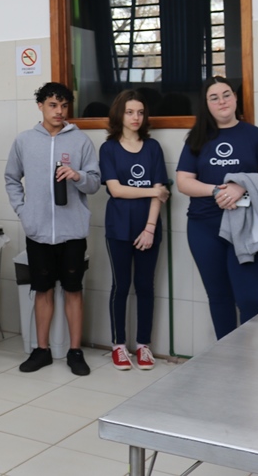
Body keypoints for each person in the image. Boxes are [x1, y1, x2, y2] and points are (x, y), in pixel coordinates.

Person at [176, 76, 258, 340]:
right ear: (206, 104)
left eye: (226, 95)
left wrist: (241, 187)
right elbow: (183, 181)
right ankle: (227, 360)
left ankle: (254, 357)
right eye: (214, 98)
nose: (222, 101)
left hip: (247, 229)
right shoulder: (196, 138)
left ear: (235, 98)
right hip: (204, 227)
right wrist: (217, 191)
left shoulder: (255, 136)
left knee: (252, 300)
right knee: (219, 297)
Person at [5, 81, 100, 376]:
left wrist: (78, 176)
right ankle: (41, 350)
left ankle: (75, 351)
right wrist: (24, 211)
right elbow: (11, 178)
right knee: (42, 289)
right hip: (38, 231)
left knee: (73, 290)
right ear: (41, 106)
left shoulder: (81, 141)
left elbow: (95, 183)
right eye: (52, 105)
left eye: (63, 105)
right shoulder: (24, 141)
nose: (59, 111)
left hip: (72, 232)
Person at [99, 90, 169, 371]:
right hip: (118, 228)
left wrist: (150, 228)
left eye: (140, 112)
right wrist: (152, 190)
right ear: (120, 115)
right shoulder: (108, 148)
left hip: (148, 228)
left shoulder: (153, 148)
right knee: (120, 286)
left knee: (145, 286)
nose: (136, 117)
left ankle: (143, 345)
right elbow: (115, 190)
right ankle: (118, 345)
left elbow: (161, 191)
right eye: (130, 112)